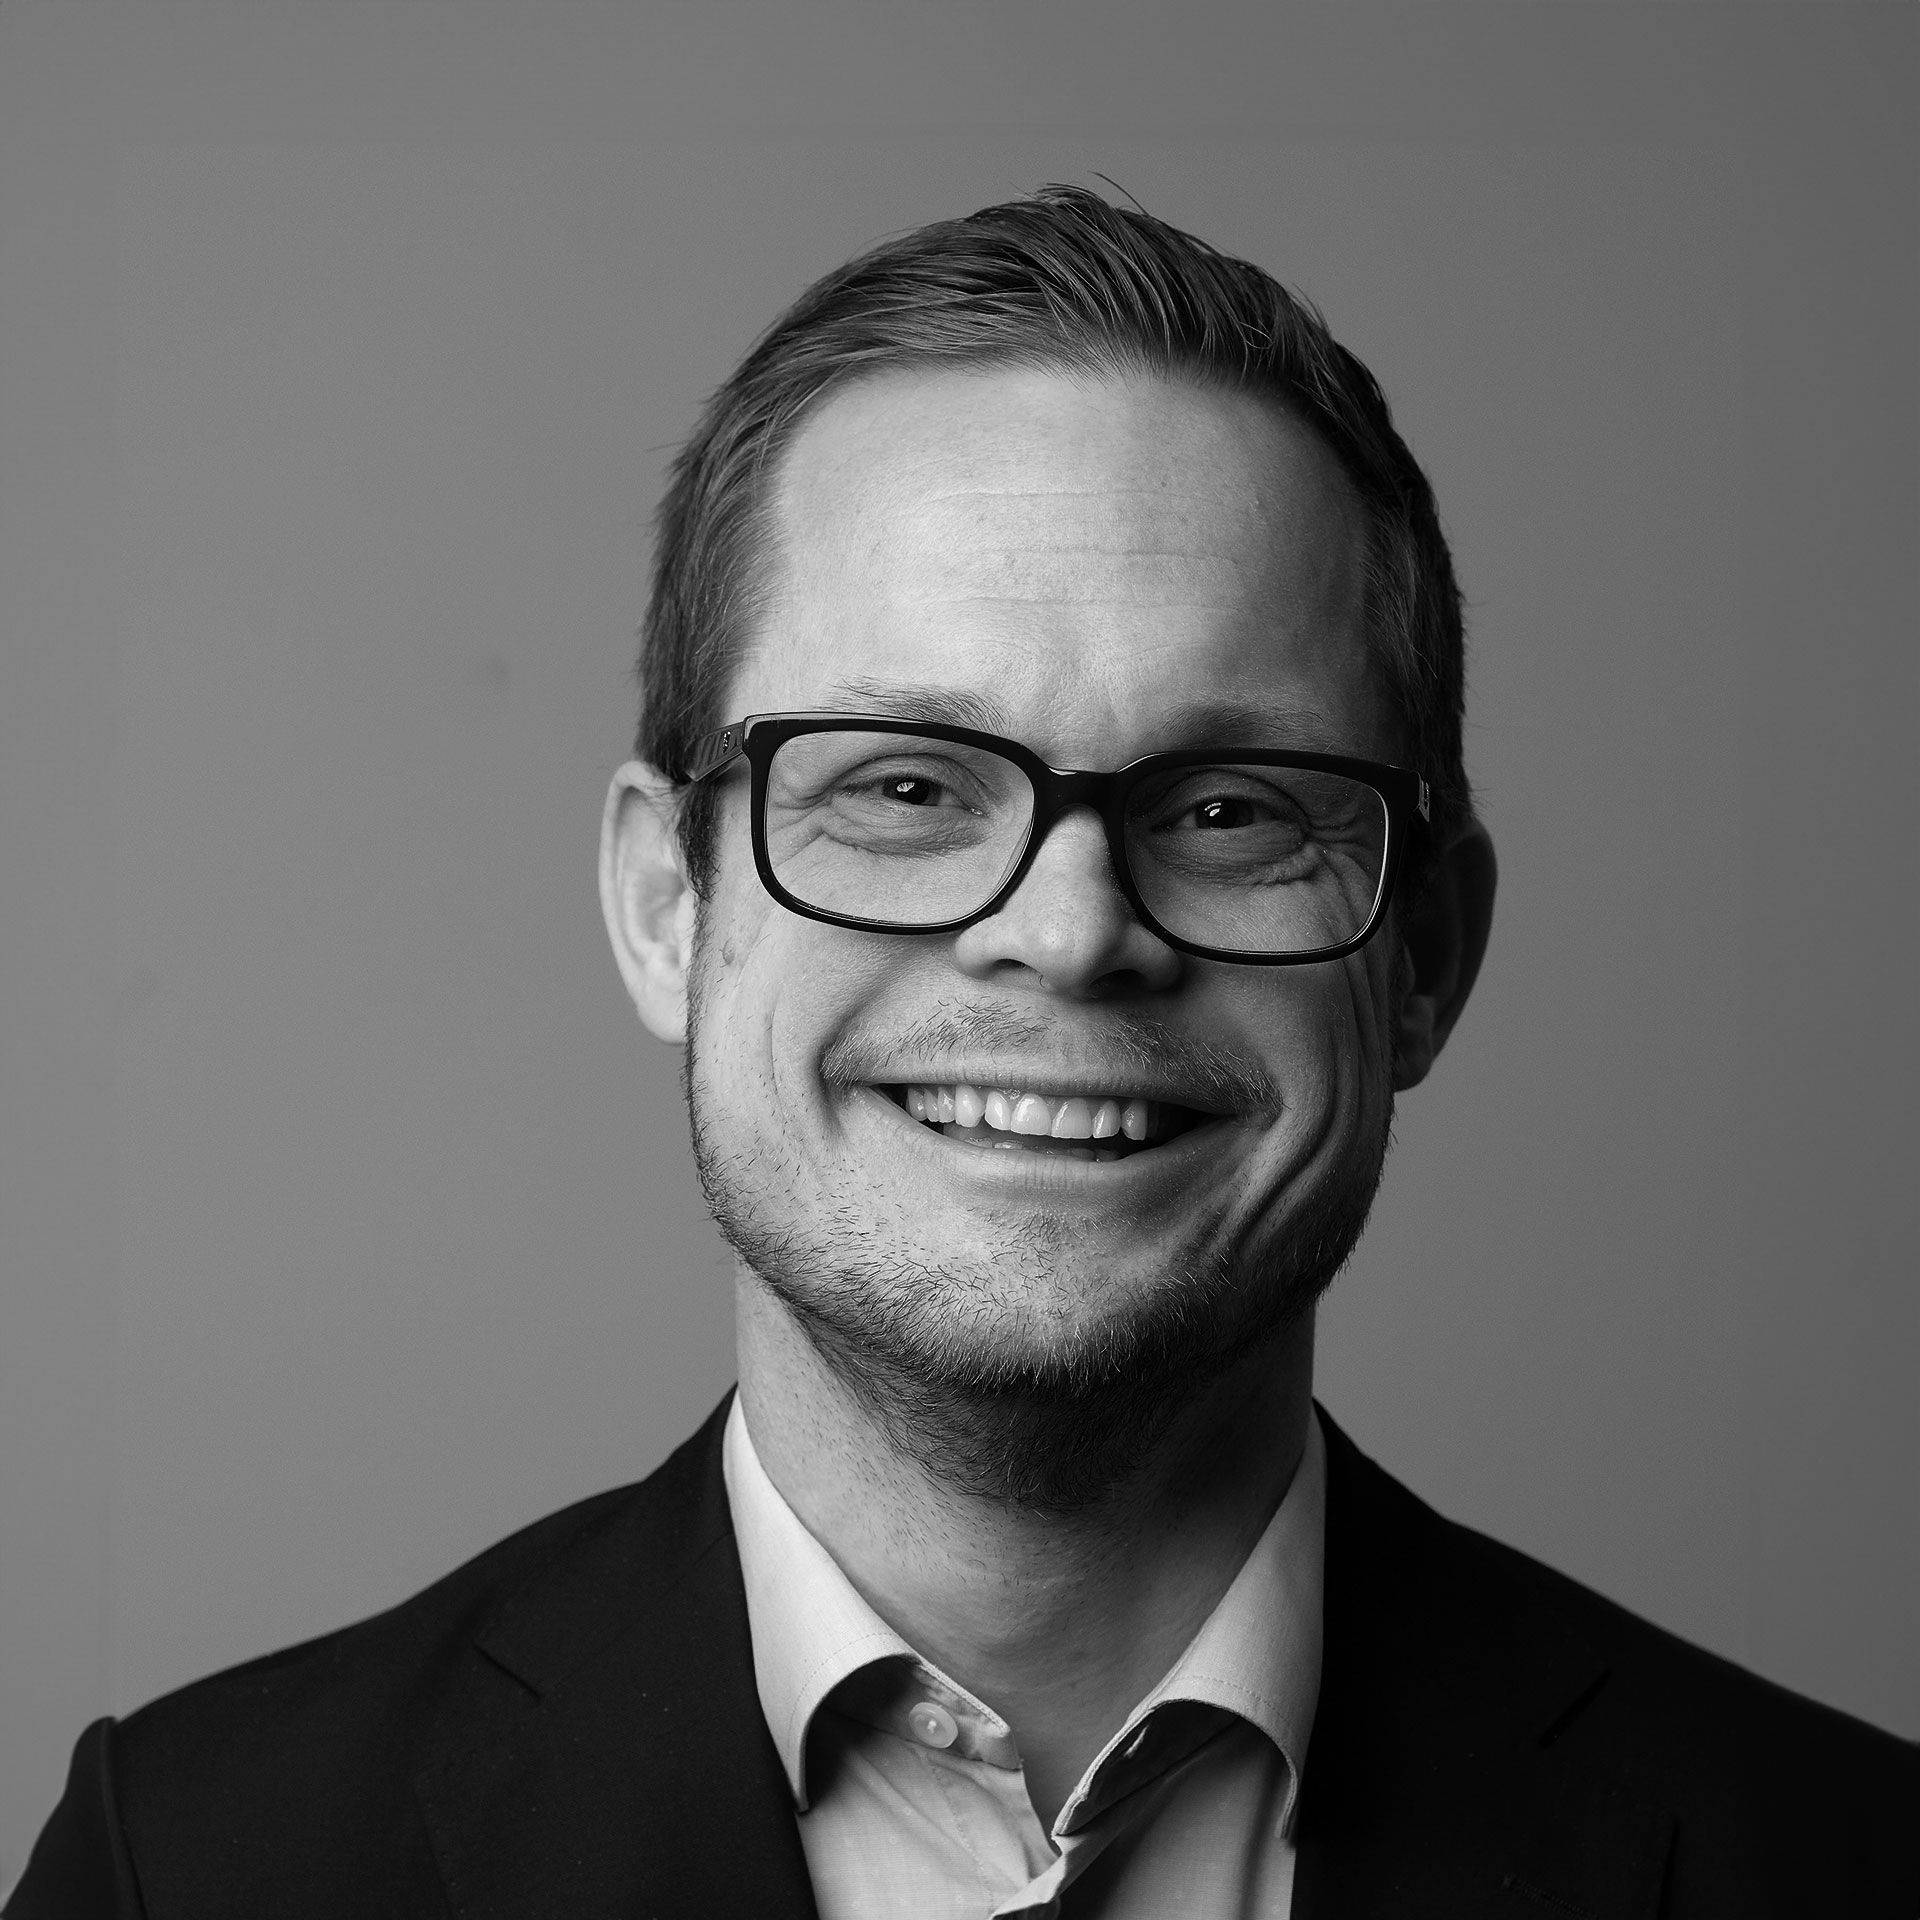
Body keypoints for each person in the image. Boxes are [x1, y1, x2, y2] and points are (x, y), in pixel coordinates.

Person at [10, 185, 1915, 1920]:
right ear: (669, 907)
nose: (1073, 928)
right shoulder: (193, 1872)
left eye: (1236, 808)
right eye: (906, 785)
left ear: (1426, 955)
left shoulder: (1844, 1872)